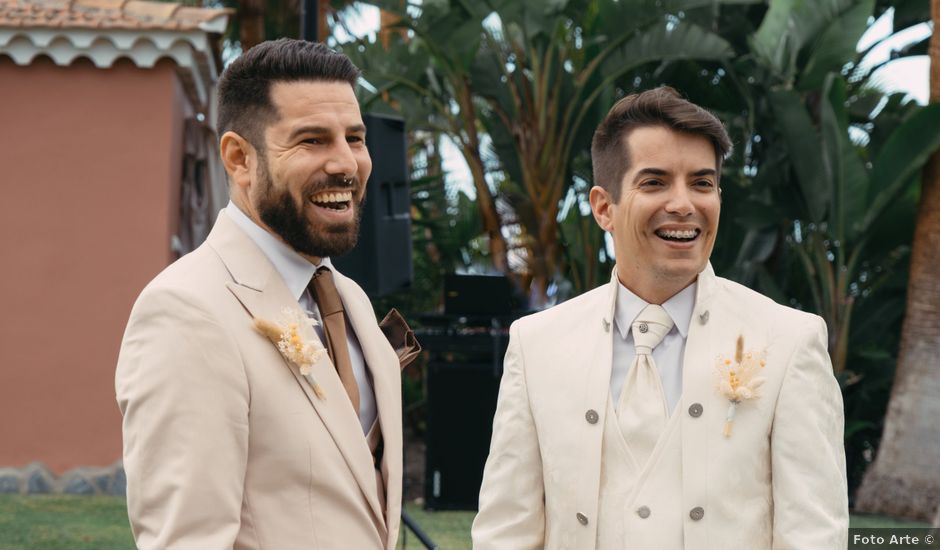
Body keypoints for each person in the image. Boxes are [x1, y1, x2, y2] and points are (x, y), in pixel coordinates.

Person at [472, 86, 848, 549]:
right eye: (655, 182)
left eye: (702, 183)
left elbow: (814, 534)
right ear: (604, 207)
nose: (684, 203)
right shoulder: (536, 344)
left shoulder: (789, 341)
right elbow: (505, 532)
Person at [116, 39, 404, 550]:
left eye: (354, 138)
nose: (346, 164)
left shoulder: (351, 300)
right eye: (312, 140)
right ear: (239, 158)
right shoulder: (187, 312)